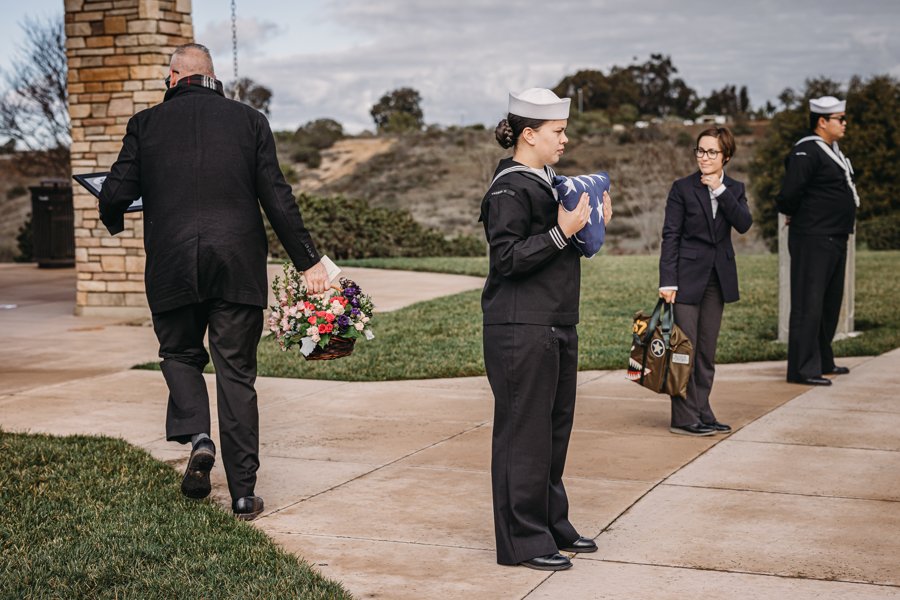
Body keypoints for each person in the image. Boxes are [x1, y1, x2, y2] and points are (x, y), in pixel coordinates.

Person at [98, 43, 328, 520]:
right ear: (212, 76)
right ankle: (244, 494)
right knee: (237, 374)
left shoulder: (145, 125)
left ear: (173, 76)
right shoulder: (250, 121)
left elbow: (116, 192)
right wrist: (309, 261)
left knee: (179, 354)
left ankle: (199, 436)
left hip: (173, 266)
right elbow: (277, 198)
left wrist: (114, 213)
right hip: (237, 266)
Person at [480, 88, 612, 571]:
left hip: (555, 320)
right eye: (557, 132)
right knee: (524, 435)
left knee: (553, 432)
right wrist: (562, 232)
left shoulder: (547, 183)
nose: (565, 139)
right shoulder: (509, 189)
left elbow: (558, 247)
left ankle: (552, 522)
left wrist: (588, 226)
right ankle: (523, 541)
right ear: (529, 134)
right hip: (520, 327)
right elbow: (507, 258)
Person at [659, 127, 752, 436]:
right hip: (685, 279)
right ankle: (684, 418)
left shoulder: (734, 189)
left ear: (726, 155)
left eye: (712, 152)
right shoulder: (682, 188)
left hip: (718, 279)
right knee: (685, 349)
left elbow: (743, 223)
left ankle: (702, 410)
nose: (704, 157)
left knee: (706, 352)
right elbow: (670, 236)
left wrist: (720, 191)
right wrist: (668, 280)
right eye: (700, 150)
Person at [777, 96, 858, 386]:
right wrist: (792, 214)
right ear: (822, 122)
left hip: (835, 236)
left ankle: (823, 360)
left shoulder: (832, 150)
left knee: (828, 304)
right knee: (807, 303)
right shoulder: (807, 151)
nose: (845, 123)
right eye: (840, 118)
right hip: (813, 237)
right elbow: (789, 193)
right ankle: (802, 369)